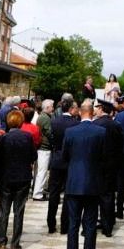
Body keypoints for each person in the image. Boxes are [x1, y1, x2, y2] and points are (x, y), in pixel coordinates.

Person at [62, 100, 107, 249]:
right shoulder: (100, 132)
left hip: (74, 182)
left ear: (81, 112)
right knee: (90, 223)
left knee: (73, 224)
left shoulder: (70, 132)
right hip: (93, 183)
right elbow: (103, 157)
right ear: (92, 113)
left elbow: (65, 156)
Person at [0, 109, 37, 249]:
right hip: (23, 177)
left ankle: (1, 242)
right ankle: (15, 243)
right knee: (19, 212)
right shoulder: (27, 137)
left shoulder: (4, 138)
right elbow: (34, 156)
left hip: (6, 178)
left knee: (4, 211)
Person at [47, 98, 80, 234]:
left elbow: (51, 137)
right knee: (68, 194)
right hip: (70, 161)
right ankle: (65, 225)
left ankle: (51, 223)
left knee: (54, 193)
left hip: (57, 158)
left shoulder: (54, 121)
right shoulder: (75, 124)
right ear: (71, 109)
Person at [92, 99, 123, 237]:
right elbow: (120, 146)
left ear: (101, 109)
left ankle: (93, 223)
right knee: (108, 195)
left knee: (94, 195)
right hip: (111, 165)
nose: (96, 109)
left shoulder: (95, 124)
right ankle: (108, 225)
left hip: (97, 164)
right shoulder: (116, 125)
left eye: (98, 107)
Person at [32, 99, 54, 200]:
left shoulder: (43, 116)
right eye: (52, 107)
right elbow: (49, 133)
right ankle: (38, 194)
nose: (53, 108)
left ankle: (37, 190)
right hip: (44, 148)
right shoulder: (45, 118)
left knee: (39, 171)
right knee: (42, 171)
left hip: (41, 148)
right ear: (47, 108)